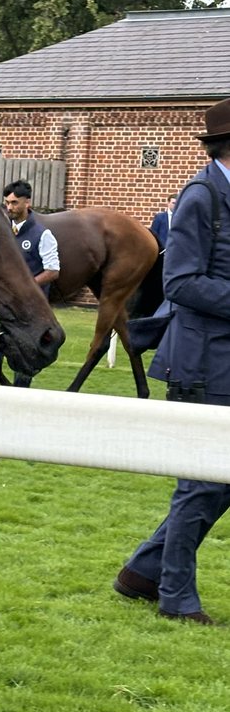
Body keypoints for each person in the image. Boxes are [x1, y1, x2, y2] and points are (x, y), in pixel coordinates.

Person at [114, 97, 230, 624]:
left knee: (219, 478)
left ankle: (143, 569)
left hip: (222, 356)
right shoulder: (201, 196)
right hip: (201, 359)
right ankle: (175, 597)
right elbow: (180, 282)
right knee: (202, 480)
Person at [0, 179, 60, 387]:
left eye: (14, 203)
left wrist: (24, 286)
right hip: (3, 308)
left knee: (23, 361)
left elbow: (52, 271)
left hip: (29, 312)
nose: (9, 207)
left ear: (27, 203)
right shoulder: (2, 231)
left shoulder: (43, 235)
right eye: (7, 203)